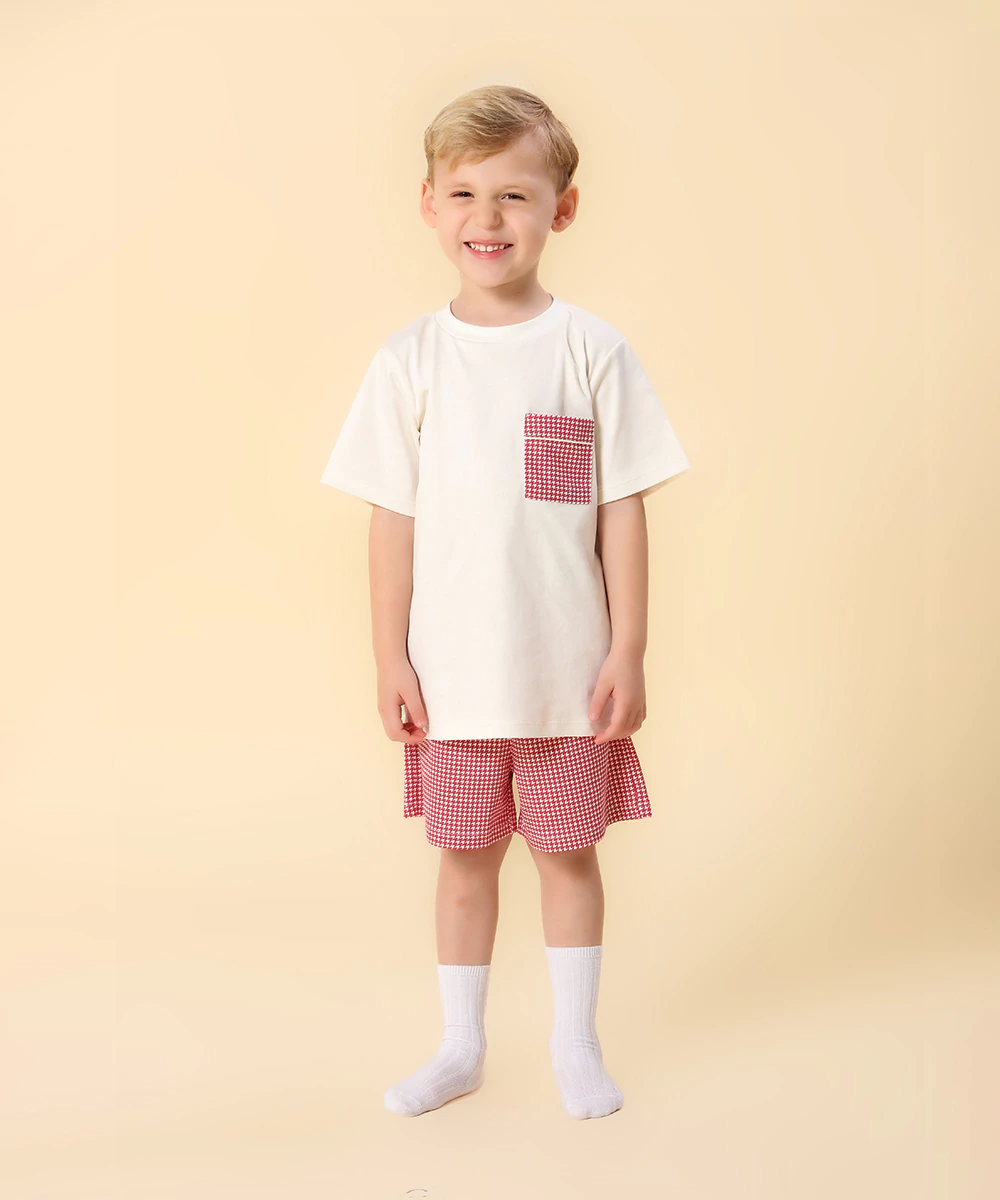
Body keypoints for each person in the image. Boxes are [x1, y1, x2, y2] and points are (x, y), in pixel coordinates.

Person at [319, 85, 691, 1120]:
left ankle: (576, 1044)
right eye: (464, 194)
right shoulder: (409, 361)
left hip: (567, 676)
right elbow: (390, 519)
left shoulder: (591, 350)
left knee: (568, 856)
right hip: (454, 680)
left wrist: (628, 650)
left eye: (515, 195)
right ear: (428, 204)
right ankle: (460, 1046)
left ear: (561, 209)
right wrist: (390, 658)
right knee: (464, 860)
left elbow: (621, 509)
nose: (488, 219)